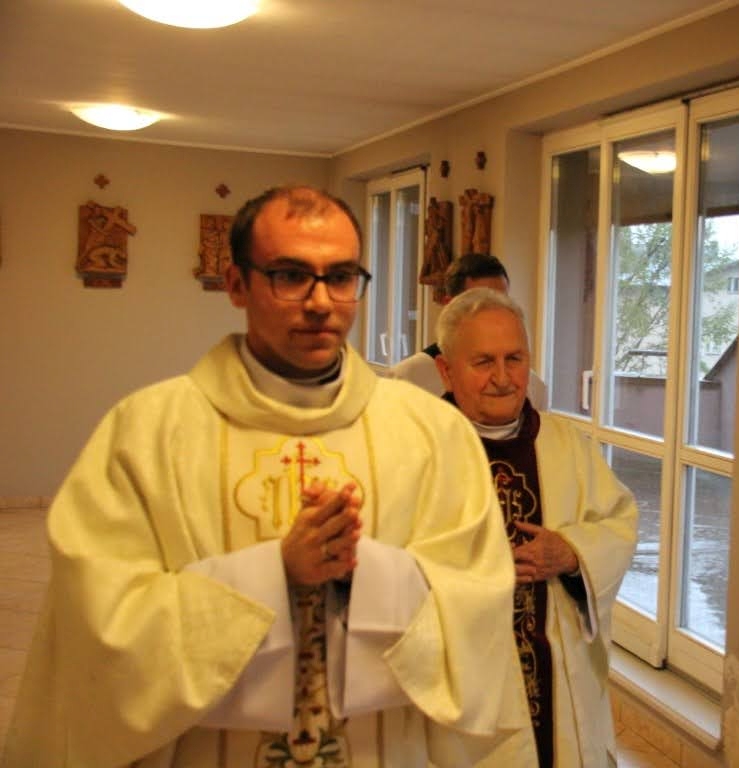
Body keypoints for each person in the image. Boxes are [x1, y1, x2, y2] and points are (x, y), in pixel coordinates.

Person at [3, 185, 533, 767]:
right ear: (236, 284)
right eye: (290, 276)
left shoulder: (431, 433)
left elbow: (477, 603)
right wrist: (272, 574)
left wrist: (366, 575)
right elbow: (98, 622)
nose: (320, 301)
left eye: (341, 277)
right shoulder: (147, 433)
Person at [434, 287, 638, 767]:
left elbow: (620, 522)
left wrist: (572, 552)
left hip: (559, 686)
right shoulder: (420, 450)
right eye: (483, 362)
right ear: (446, 370)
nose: (503, 378)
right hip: (463, 692)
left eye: (515, 358)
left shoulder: (568, 444)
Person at [388, 252, 548, 407]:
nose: (501, 380)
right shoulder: (406, 380)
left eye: (501, 302)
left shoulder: (533, 388)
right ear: (449, 306)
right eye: (479, 304)